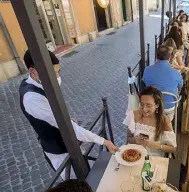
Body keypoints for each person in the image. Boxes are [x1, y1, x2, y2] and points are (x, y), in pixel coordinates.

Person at [19, 50, 118, 180]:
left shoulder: (45, 81)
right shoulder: (32, 99)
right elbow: (69, 128)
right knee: (78, 182)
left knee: (86, 172)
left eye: (57, 71)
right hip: (59, 152)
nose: (57, 77)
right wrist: (103, 141)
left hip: (69, 143)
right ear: (33, 72)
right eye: (52, 73)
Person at [124, 86, 177, 156]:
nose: (144, 109)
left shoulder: (164, 120)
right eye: (142, 104)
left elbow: (173, 148)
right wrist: (134, 140)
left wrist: (157, 146)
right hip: (134, 156)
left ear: (157, 105)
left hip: (154, 158)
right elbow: (128, 139)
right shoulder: (133, 115)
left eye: (148, 105)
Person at [143, 45, 183, 121]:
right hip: (169, 106)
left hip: (153, 107)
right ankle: (167, 126)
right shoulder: (176, 73)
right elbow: (180, 87)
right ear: (170, 57)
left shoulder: (147, 70)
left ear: (156, 57)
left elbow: (146, 84)